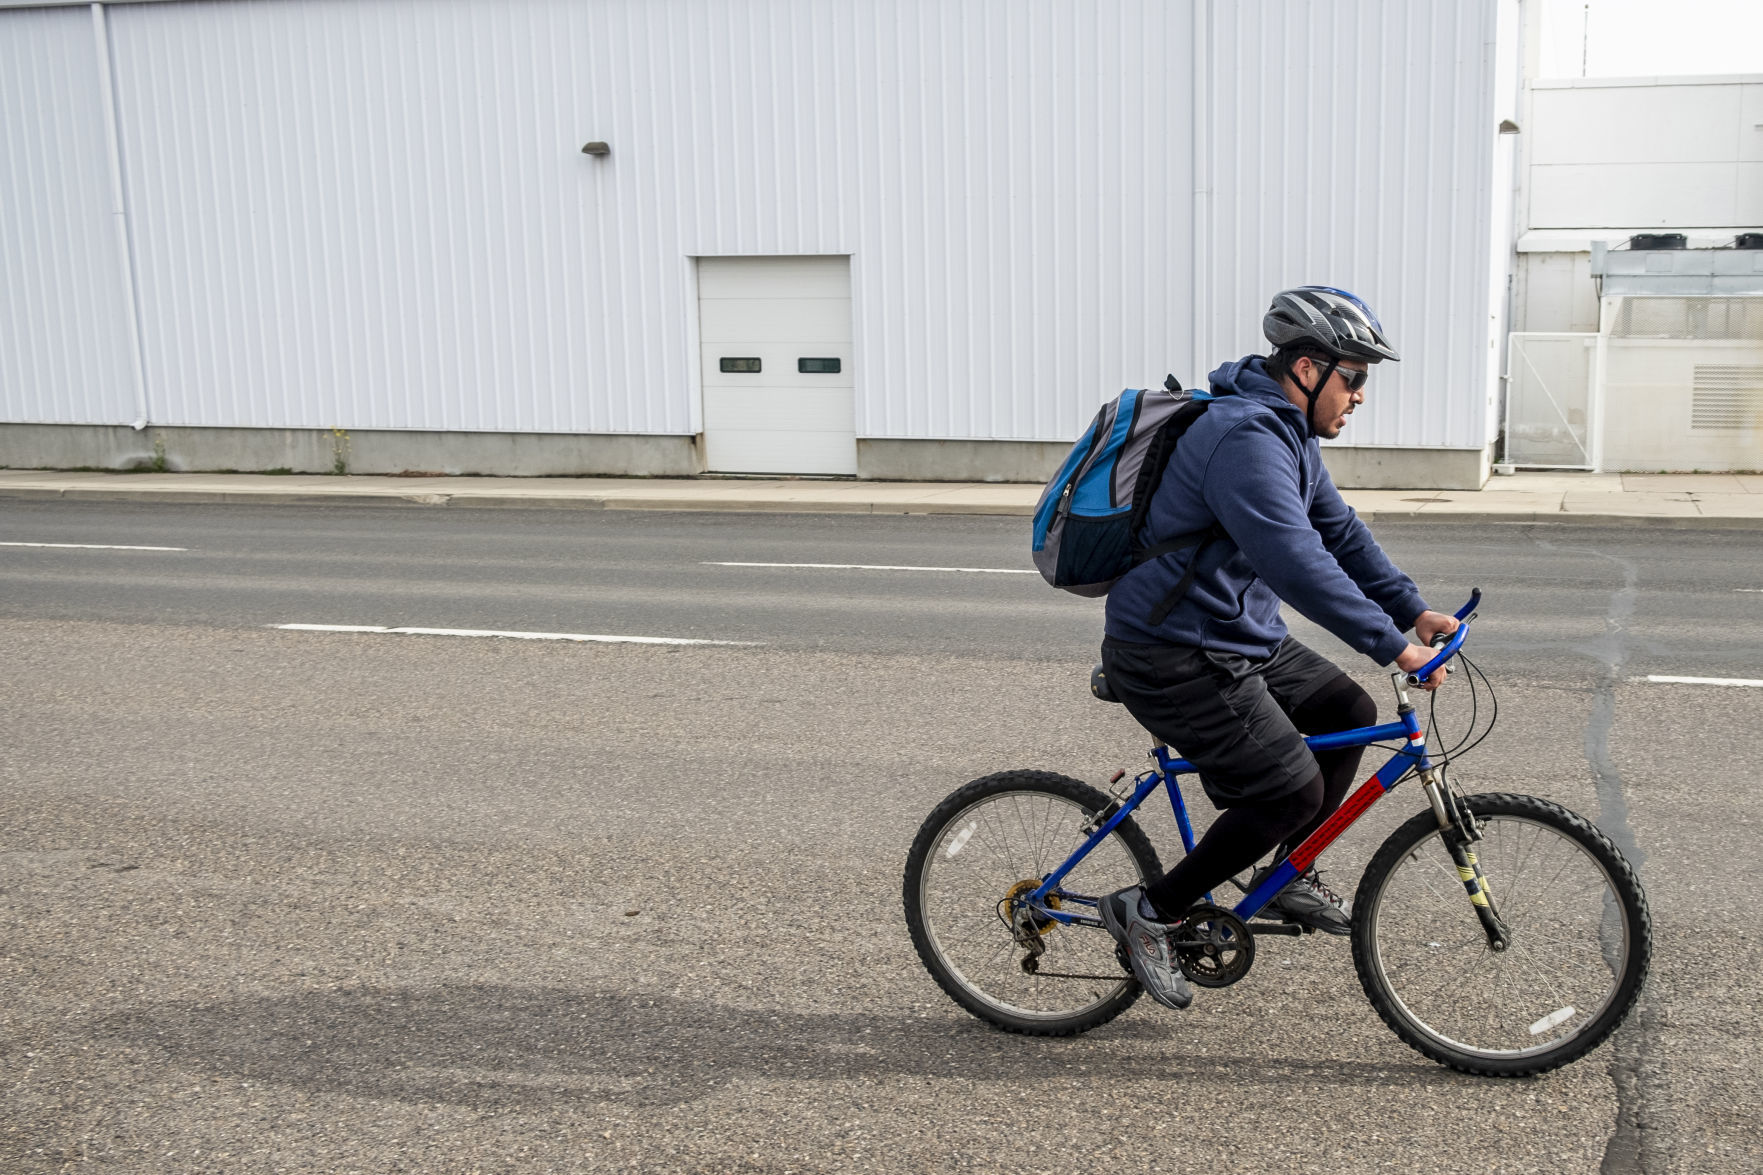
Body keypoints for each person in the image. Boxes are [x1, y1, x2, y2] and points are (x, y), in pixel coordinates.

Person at [1095, 286, 1458, 1011]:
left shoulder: (1286, 433)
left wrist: (1411, 608)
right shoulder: (1244, 438)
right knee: (1288, 788)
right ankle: (1149, 911)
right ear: (1304, 367)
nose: (1358, 395)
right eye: (1352, 376)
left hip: (1234, 634)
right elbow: (1294, 559)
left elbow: (1339, 533)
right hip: (1169, 646)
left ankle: (1286, 867)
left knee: (1344, 708)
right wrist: (1393, 647)